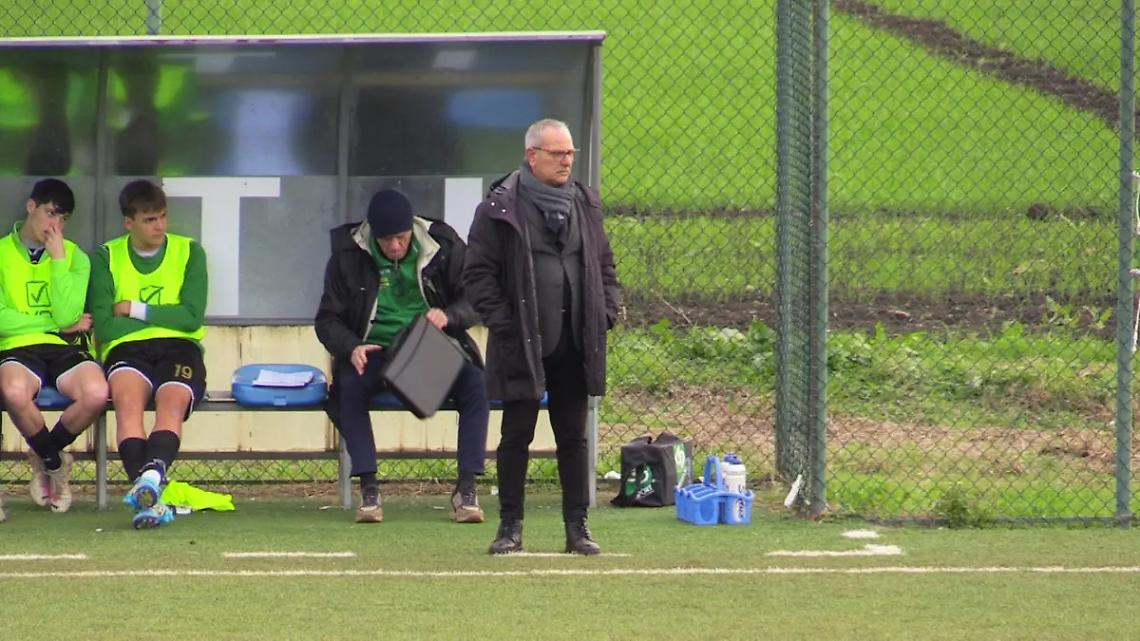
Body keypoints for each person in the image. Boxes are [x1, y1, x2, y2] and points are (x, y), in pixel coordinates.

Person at [464, 118, 620, 555]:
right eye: (557, 153)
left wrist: (605, 312)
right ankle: (510, 527)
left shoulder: (586, 204)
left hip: (575, 340)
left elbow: (604, 264)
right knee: (517, 435)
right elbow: (478, 275)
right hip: (523, 343)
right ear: (533, 156)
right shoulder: (499, 209)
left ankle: (578, 528)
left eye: (570, 153)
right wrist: (506, 323)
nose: (566, 160)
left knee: (573, 436)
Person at [315, 188, 489, 524]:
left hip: (429, 347)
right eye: (386, 241)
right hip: (373, 350)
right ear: (372, 235)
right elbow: (326, 319)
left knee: (476, 384)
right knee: (348, 388)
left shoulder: (442, 246)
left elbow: (477, 298)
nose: (395, 246)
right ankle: (370, 489)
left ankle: (466, 489)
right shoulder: (348, 254)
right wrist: (351, 346)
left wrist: (449, 316)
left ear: (412, 228)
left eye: (401, 238)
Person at [88, 179, 208, 529]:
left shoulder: (190, 252)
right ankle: (151, 492)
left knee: (171, 403)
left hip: (180, 348)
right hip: (127, 349)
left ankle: (149, 483)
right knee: (128, 405)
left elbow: (191, 318)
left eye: (162, 217)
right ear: (129, 223)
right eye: (150, 220)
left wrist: (132, 308)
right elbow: (106, 329)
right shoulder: (106, 256)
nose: (160, 226)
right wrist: (163, 317)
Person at [0, 178, 108, 516]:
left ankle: (45, 455)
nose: (54, 225)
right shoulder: (2, 252)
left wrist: (58, 260)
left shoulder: (75, 257)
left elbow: (68, 314)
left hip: (64, 346)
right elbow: (3, 321)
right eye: (50, 214)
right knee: (15, 392)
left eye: (63, 219)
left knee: (96, 392)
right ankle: (54, 463)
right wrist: (53, 324)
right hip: (17, 346)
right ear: (31, 207)